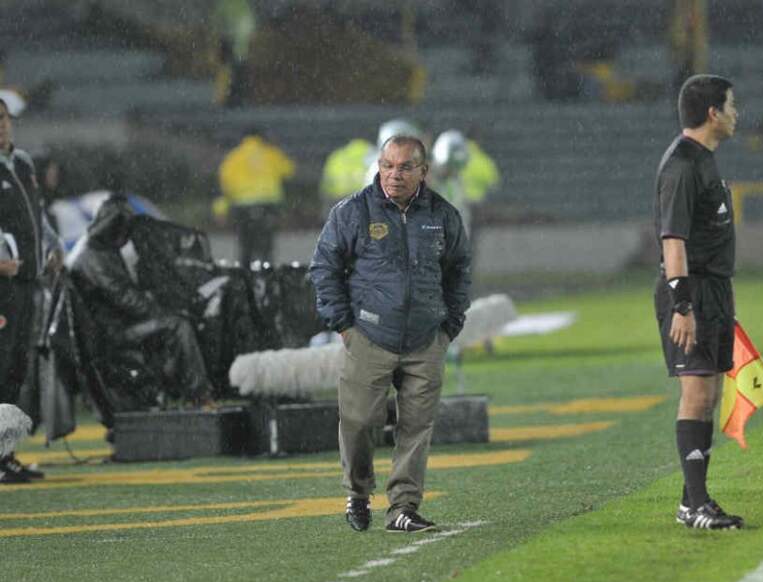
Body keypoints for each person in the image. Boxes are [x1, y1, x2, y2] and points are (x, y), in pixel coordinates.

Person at [309, 135, 471, 533]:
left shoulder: (444, 215)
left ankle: (403, 507)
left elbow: (459, 272)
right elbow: (324, 268)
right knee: (360, 421)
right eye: (387, 165)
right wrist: (344, 326)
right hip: (368, 335)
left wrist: (449, 327)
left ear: (423, 171)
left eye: (404, 167)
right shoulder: (351, 212)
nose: (394, 175)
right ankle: (358, 491)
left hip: (426, 339)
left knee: (417, 427)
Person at [652, 74, 742, 530]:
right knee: (696, 391)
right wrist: (682, 305)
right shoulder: (683, 165)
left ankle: (694, 500)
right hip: (690, 291)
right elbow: (674, 240)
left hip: (713, 290)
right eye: (730, 105)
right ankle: (695, 504)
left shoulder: (703, 159)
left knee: (708, 393)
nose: (735, 113)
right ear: (712, 113)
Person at [69, 195, 214, 409]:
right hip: (113, 332)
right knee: (178, 326)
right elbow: (126, 299)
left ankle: (179, 391)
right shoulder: (93, 257)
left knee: (176, 322)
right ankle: (199, 394)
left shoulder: (98, 249)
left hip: (115, 324)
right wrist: (158, 309)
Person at [0, 93, 61, 482]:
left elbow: (35, 215)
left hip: (25, 282)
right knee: (0, 366)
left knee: (16, 369)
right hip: (1, 284)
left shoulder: (21, 163)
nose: (1, 124)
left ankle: (5, 455)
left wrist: (52, 247)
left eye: (3, 117)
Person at [218, 128, 295, 266]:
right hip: (268, 205)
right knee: (266, 246)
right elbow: (289, 171)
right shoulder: (271, 153)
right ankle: (267, 275)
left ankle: (244, 277)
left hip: (242, 206)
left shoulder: (234, 157)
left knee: (245, 245)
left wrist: (221, 210)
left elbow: (226, 185)